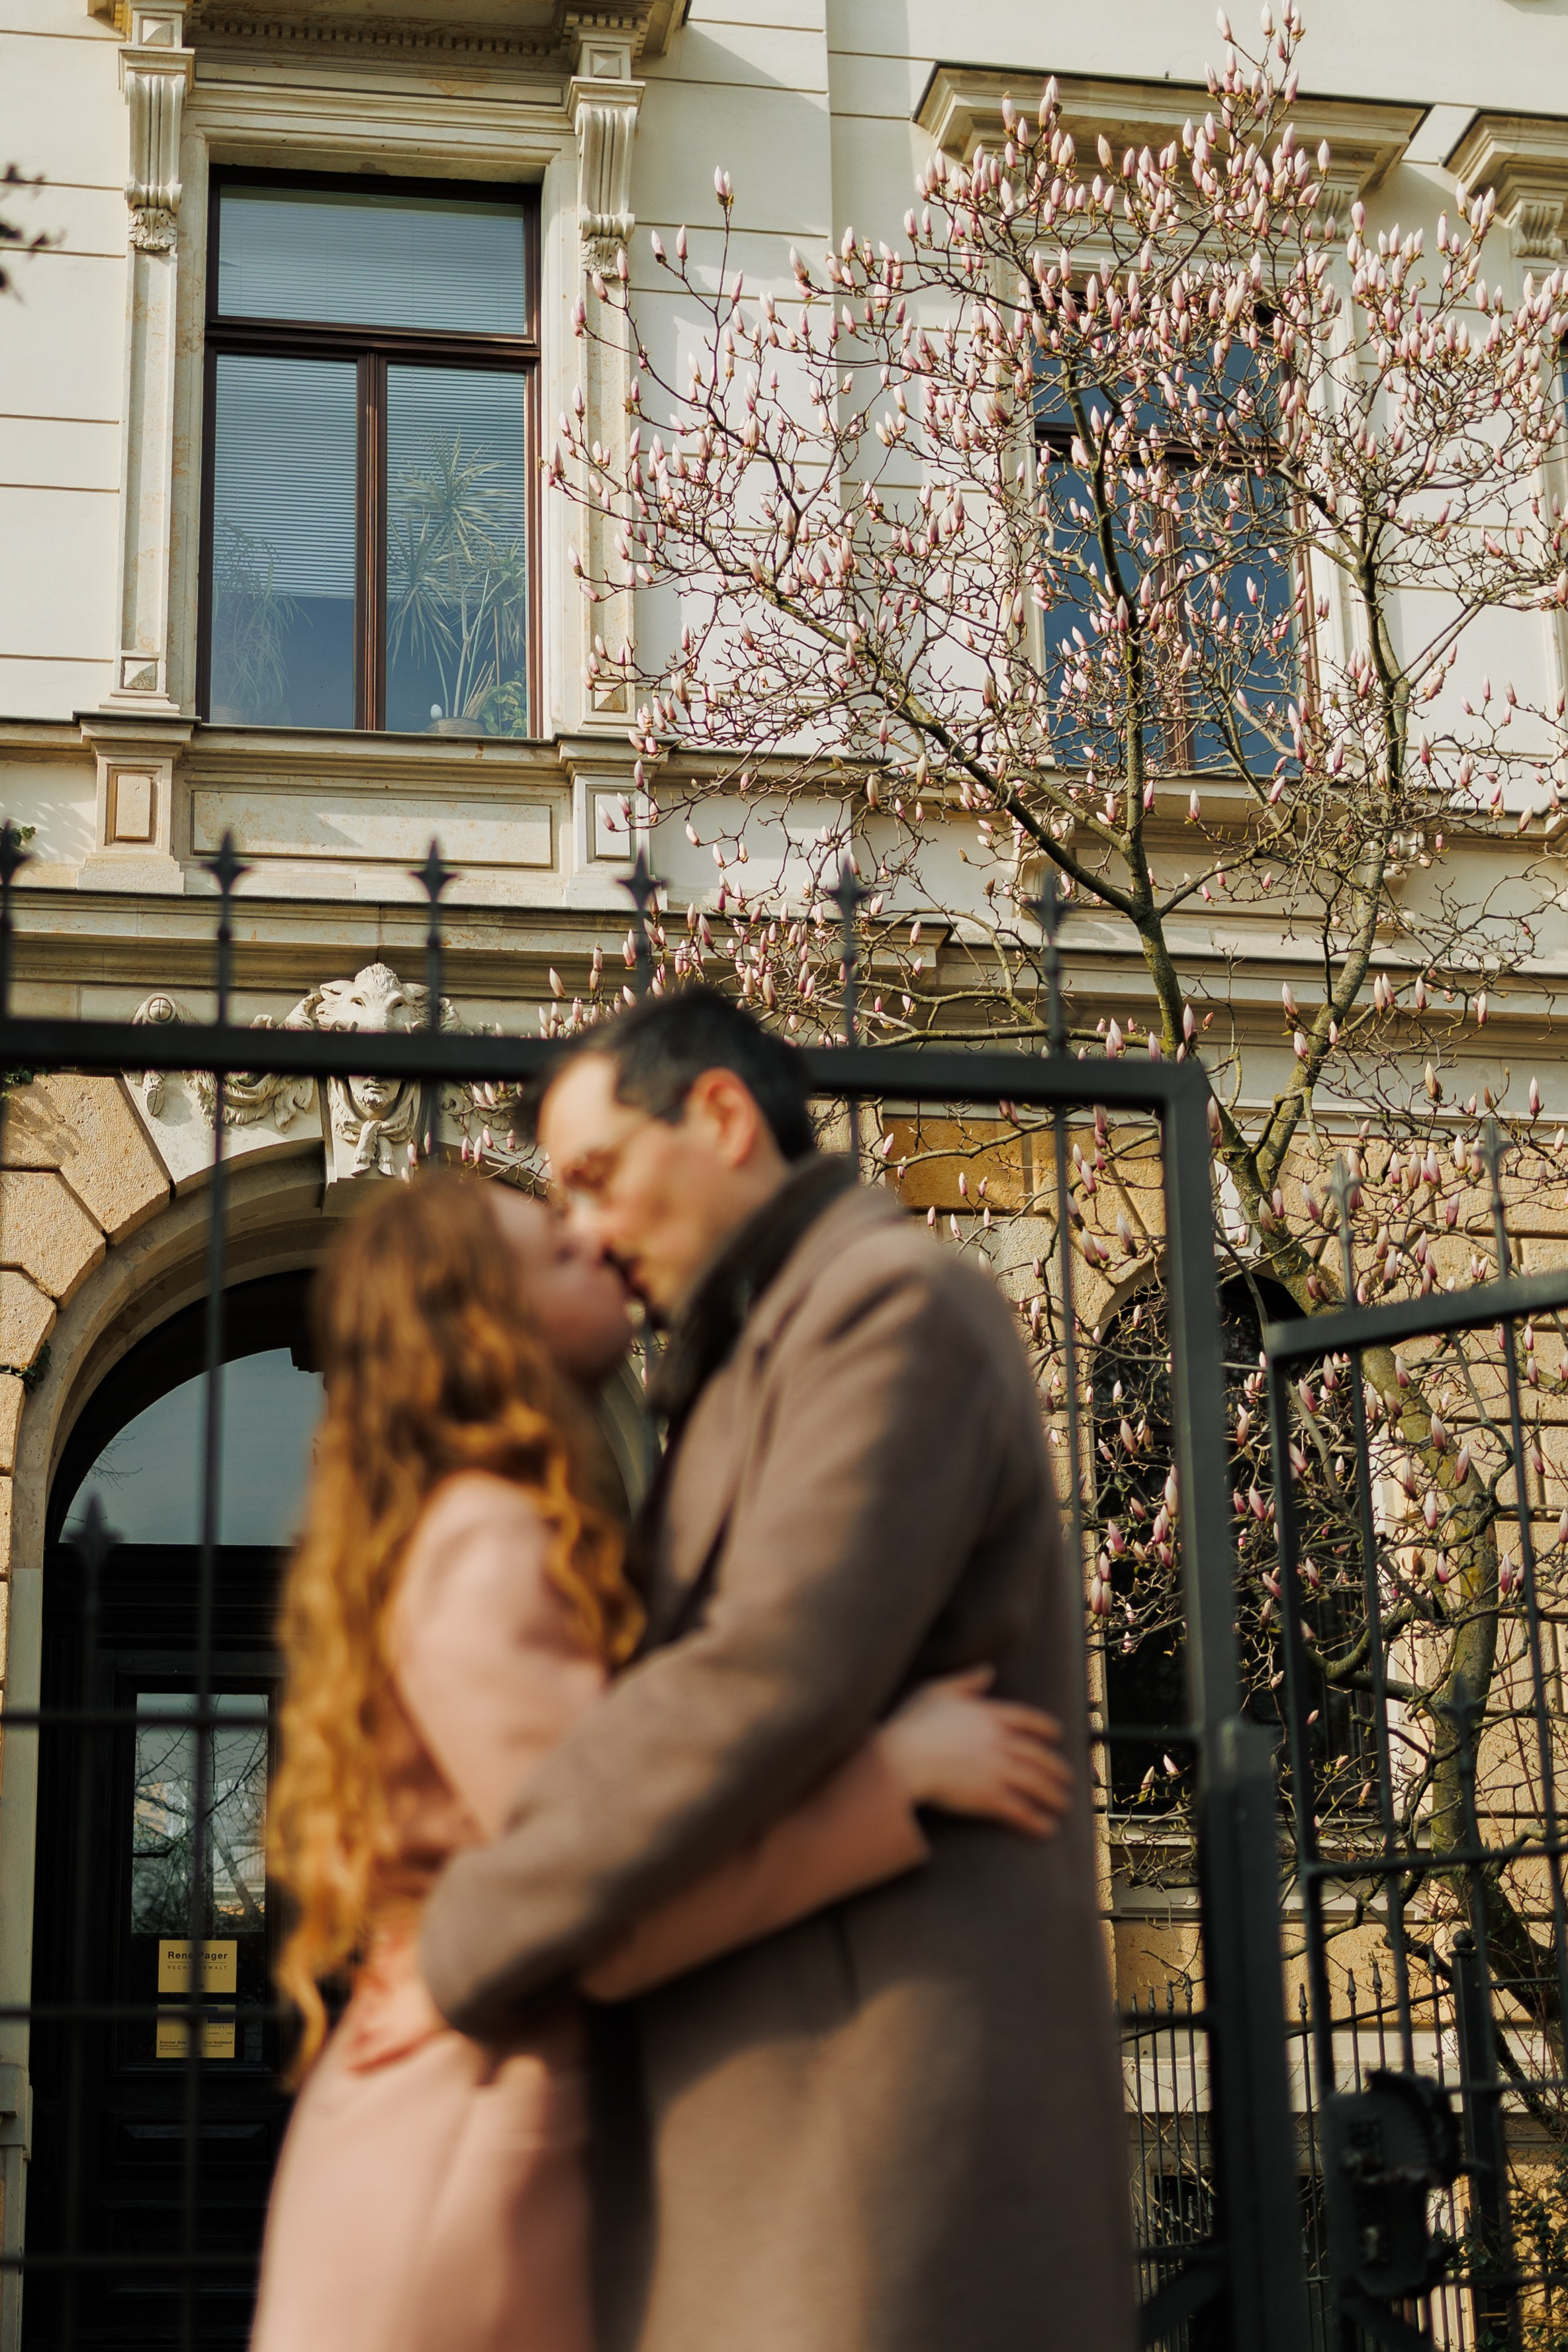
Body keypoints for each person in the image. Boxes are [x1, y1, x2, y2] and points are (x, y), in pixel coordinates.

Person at [420, 991, 1138, 2352]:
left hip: (864, 2152)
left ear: (722, 1116)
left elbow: (771, 1664)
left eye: (594, 1174)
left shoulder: (891, 1304)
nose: (582, 1227)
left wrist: (486, 1912)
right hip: (789, 2129)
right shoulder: (759, 1347)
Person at [250, 1170, 1074, 2352]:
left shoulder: (477, 1529)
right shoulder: (484, 1548)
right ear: (484, 1317)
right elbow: (606, 1906)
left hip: (474, 2127)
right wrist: (891, 1779)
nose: (595, 1238)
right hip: (465, 2155)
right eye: (555, 1248)